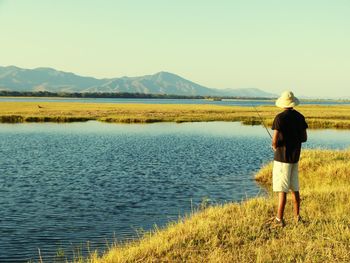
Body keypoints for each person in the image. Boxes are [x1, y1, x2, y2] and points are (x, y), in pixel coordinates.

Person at [271, 91, 308, 227]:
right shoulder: (300, 117)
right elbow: (304, 138)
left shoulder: (279, 118)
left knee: (282, 190)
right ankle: (297, 217)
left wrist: (275, 146)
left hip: (282, 159)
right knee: (295, 188)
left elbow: (274, 141)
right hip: (295, 158)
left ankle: (279, 220)